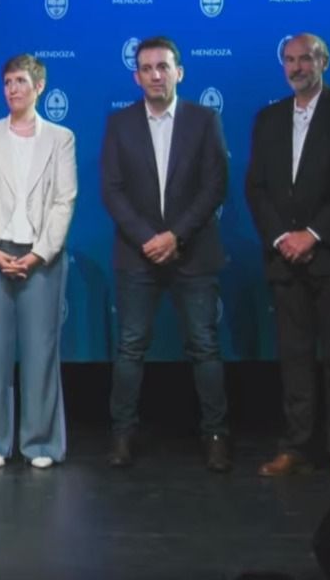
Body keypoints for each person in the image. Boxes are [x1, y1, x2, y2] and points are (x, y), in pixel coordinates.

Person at [100, 36, 231, 472]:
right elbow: (113, 192)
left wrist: (176, 235)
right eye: (147, 68)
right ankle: (122, 434)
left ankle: (215, 435)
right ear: (136, 76)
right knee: (131, 347)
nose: (156, 74)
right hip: (137, 255)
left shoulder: (203, 119)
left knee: (204, 347)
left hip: (192, 252)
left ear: (180, 71)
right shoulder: (119, 124)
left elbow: (215, 186)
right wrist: (148, 238)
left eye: (163, 66)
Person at [0, 54, 77, 469]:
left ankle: (40, 442)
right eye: (7, 81)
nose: (12, 89)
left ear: (39, 87)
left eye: (21, 81)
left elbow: (64, 201)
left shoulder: (61, 138)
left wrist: (39, 253)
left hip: (40, 256)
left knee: (40, 351)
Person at [246, 33, 330, 482]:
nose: (297, 67)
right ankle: (296, 447)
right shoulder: (268, 118)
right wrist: (281, 239)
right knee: (293, 358)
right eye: (289, 60)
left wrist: (311, 235)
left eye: (305, 58)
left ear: (323, 61)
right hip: (284, 260)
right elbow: (257, 189)